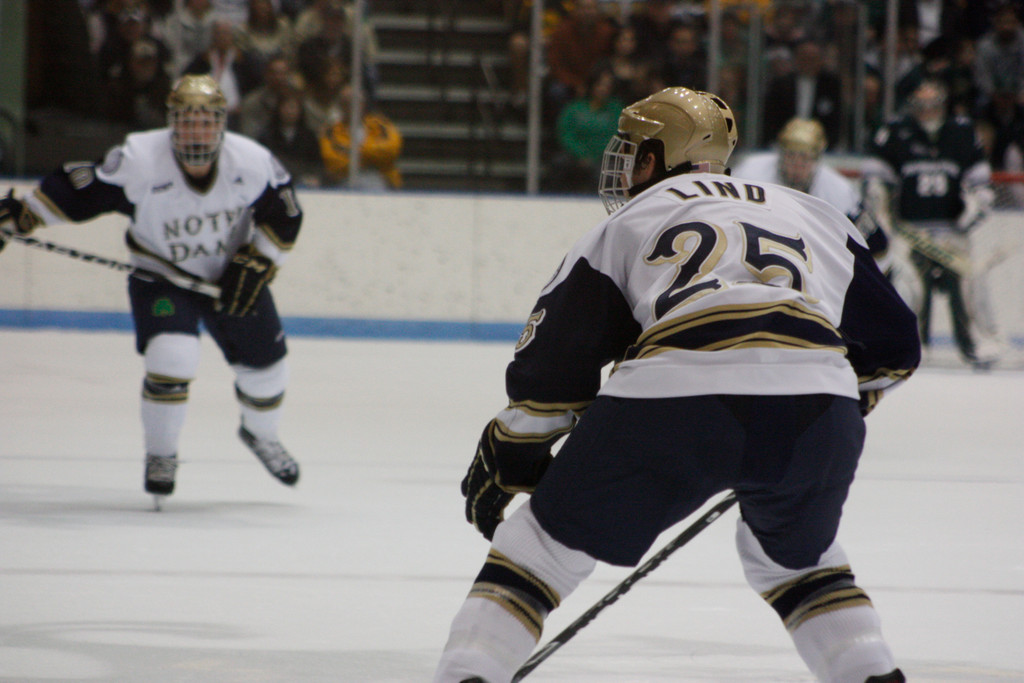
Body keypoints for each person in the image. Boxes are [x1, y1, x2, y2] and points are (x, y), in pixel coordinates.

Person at [432, 87, 917, 683]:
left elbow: (552, 378)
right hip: (819, 407)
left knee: (537, 552)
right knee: (797, 562)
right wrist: (804, 407)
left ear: (664, 158)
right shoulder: (811, 213)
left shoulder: (630, 221)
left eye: (635, 151)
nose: (624, 164)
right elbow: (896, 348)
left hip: (671, 397)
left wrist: (511, 452)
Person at [0, 75, 303, 502]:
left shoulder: (251, 162)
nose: (196, 132)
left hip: (229, 279)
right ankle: (162, 454)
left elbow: (286, 210)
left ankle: (260, 435)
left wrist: (260, 262)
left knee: (269, 374)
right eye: (186, 121)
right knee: (172, 357)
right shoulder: (140, 159)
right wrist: (22, 215)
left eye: (206, 122)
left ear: (221, 124)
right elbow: (80, 189)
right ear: (171, 123)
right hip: (161, 277)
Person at [863, 78, 1002, 368]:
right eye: (921, 104)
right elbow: (875, 184)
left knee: (971, 279)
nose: (927, 110)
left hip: (952, 232)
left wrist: (973, 211)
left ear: (943, 104)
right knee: (905, 281)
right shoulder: (895, 132)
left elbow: (983, 187)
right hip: (908, 232)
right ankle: (906, 344)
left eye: (933, 104)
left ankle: (980, 342)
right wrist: (885, 219)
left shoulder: (963, 133)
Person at [732, 118, 901, 284]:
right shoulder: (748, 175)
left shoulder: (840, 193)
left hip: (813, 275)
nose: (797, 165)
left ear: (817, 159)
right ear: (780, 154)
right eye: (791, 155)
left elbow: (878, 249)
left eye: (805, 158)